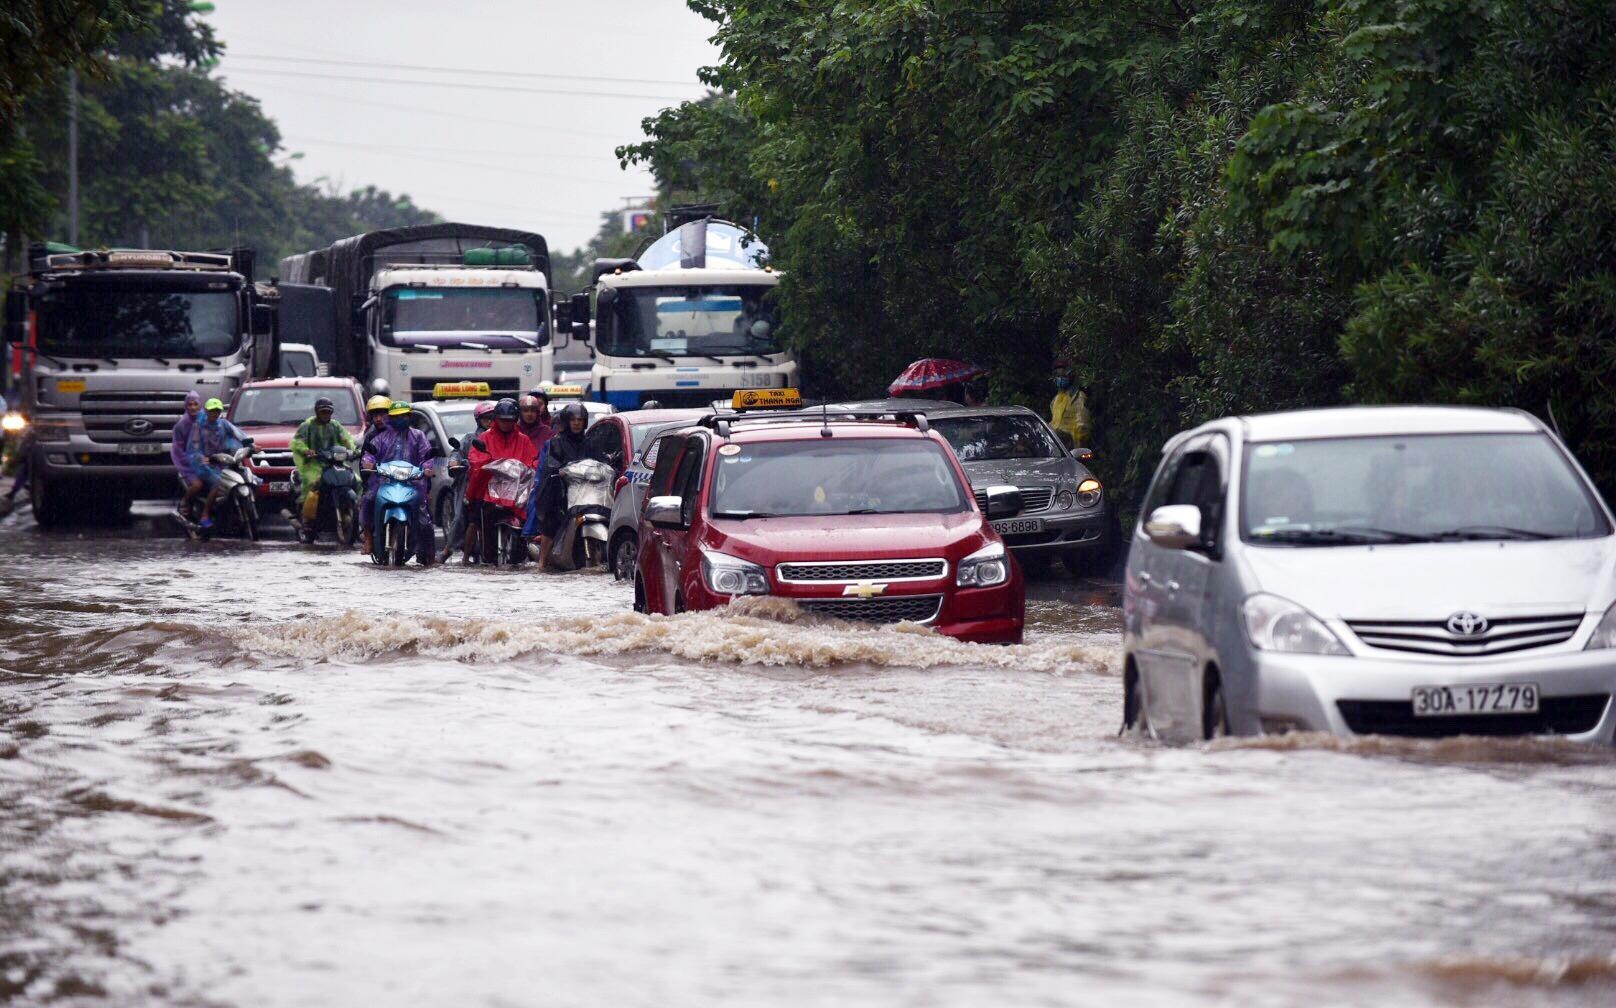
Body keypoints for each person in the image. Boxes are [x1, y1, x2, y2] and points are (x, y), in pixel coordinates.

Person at [530, 402, 606, 571]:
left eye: (580, 420)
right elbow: (551, 464)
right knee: (551, 520)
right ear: (566, 422)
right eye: (573, 420)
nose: (577, 423)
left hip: (587, 491)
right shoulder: (556, 443)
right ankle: (542, 563)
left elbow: (602, 461)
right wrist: (559, 471)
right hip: (562, 491)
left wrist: (608, 466)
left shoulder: (591, 442)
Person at [359, 400, 435, 561]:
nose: (400, 419)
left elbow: (426, 455)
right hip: (384, 482)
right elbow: (370, 454)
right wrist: (368, 462)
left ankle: (428, 555)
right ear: (391, 418)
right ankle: (369, 538)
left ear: (409, 416)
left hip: (413, 483)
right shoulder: (381, 438)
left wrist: (427, 468)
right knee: (368, 500)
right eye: (396, 416)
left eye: (404, 416)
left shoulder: (418, 436)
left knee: (424, 518)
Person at [467, 398, 539, 555]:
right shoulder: (485, 437)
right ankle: (475, 553)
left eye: (509, 420)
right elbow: (475, 458)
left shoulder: (523, 440)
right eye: (502, 420)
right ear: (496, 419)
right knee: (476, 517)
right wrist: (486, 463)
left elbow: (533, 460)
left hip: (516, 491)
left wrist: (532, 467)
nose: (506, 424)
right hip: (489, 489)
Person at [440, 400, 498, 562]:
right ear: (478, 420)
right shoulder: (470, 438)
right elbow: (457, 452)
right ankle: (448, 549)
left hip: (496, 483)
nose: (490, 422)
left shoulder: (501, 437)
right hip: (471, 483)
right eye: (486, 418)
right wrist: (455, 462)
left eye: (493, 418)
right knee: (460, 517)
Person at [289, 396, 357, 527]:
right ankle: (307, 517)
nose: (326, 414)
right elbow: (297, 442)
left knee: (355, 479)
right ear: (317, 412)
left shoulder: (335, 425)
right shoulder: (307, 425)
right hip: (313, 463)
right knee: (312, 482)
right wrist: (306, 450)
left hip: (334, 463)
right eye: (323, 412)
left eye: (328, 412)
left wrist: (353, 450)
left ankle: (353, 510)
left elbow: (347, 439)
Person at [186, 397, 247, 529]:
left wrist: (251, 444)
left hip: (221, 460)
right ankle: (205, 514)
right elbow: (194, 447)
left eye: (217, 411)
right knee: (217, 482)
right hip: (203, 462)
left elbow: (239, 434)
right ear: (206, 411)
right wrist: (202, 457)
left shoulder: (223, 424)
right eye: (212, 411)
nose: (215, 413)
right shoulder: (198, 426)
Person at [1049, 359, 1091, 449]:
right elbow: (1054, 423)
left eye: (1063, 375)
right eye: (1058, 376)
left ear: (1070, 377)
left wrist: (1079, 444)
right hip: (1057, 447)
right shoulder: (1056, 399)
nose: (1060, 379)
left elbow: (1082, 425)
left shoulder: (1078, 397)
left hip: (1073, 447)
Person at [517, 392, 552, 458]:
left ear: (537, 412)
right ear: (520, 413)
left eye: (533, 410)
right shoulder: (514, 430)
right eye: (525, 410)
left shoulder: (547, 432)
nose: (529, 414)